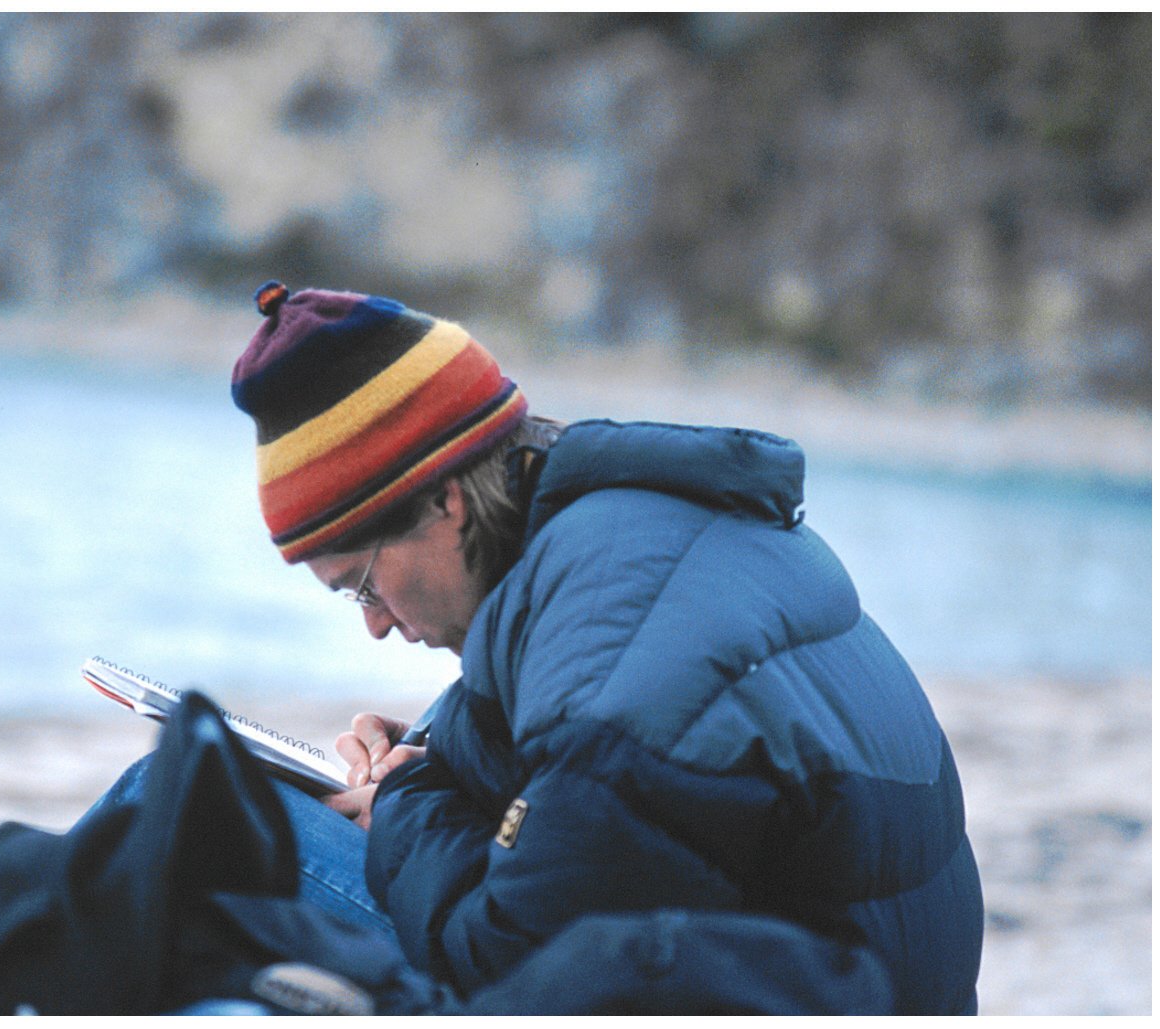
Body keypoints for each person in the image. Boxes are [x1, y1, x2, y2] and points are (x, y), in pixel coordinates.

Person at [220, 280, 984, 1014]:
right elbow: (611, 798)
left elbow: (513, 963)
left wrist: (404, 805)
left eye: (362, 584)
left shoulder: (618, 658)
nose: (376, 623)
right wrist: (433, 753)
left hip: (778, 991)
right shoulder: (636, 539)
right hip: (814, 978)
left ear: (442, 499)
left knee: (193, 819)